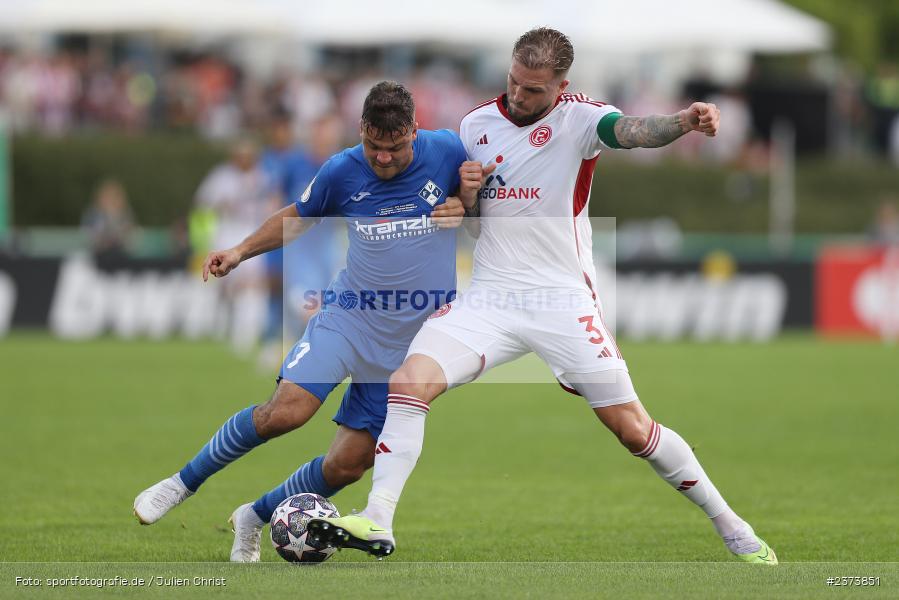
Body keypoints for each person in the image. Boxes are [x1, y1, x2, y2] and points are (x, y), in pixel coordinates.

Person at [310, 28, 777, 565]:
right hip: (491, 295)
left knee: (632, 428)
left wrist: (683, 122)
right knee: (408, 382)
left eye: (533, 89)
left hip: (561, 299)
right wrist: (466, 196)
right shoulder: (477, 125)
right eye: (513, 81)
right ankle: (378, 519)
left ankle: (732, 526)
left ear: (561, 86)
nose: (519, 96)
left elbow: (633, 131)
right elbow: (477, 217)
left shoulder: (581, 119)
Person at [133, 81, 472, 562]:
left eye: (394, 148)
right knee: (285, 412)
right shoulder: (342, 170)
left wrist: (466, 203)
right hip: (350, 318)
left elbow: (493, 201)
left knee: (348, 466)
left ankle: (254, 515)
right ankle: (181, 483)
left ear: (414, 132)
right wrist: (239, 251)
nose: (382, 158)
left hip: (408, 346)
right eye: (374, 145)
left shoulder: (448, 150)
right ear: (361, 131)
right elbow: (296, 216)